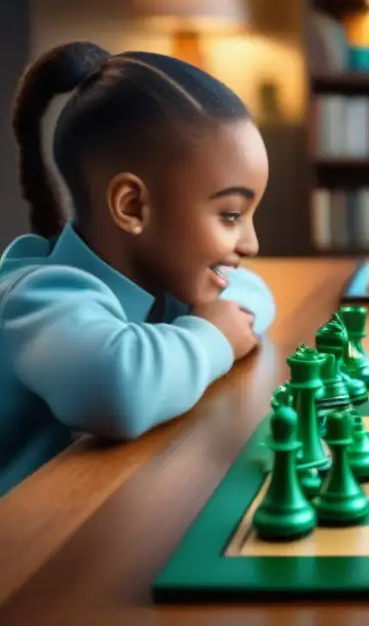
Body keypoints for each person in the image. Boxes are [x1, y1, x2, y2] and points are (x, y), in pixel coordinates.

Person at [0, 41, 276, 496]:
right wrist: (214, 337)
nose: (251, 243)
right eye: (230, 215)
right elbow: (122, 389)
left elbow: (255, 295)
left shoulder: (163, 284)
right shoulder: (36, 297)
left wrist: (213, 321)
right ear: (132, 206)